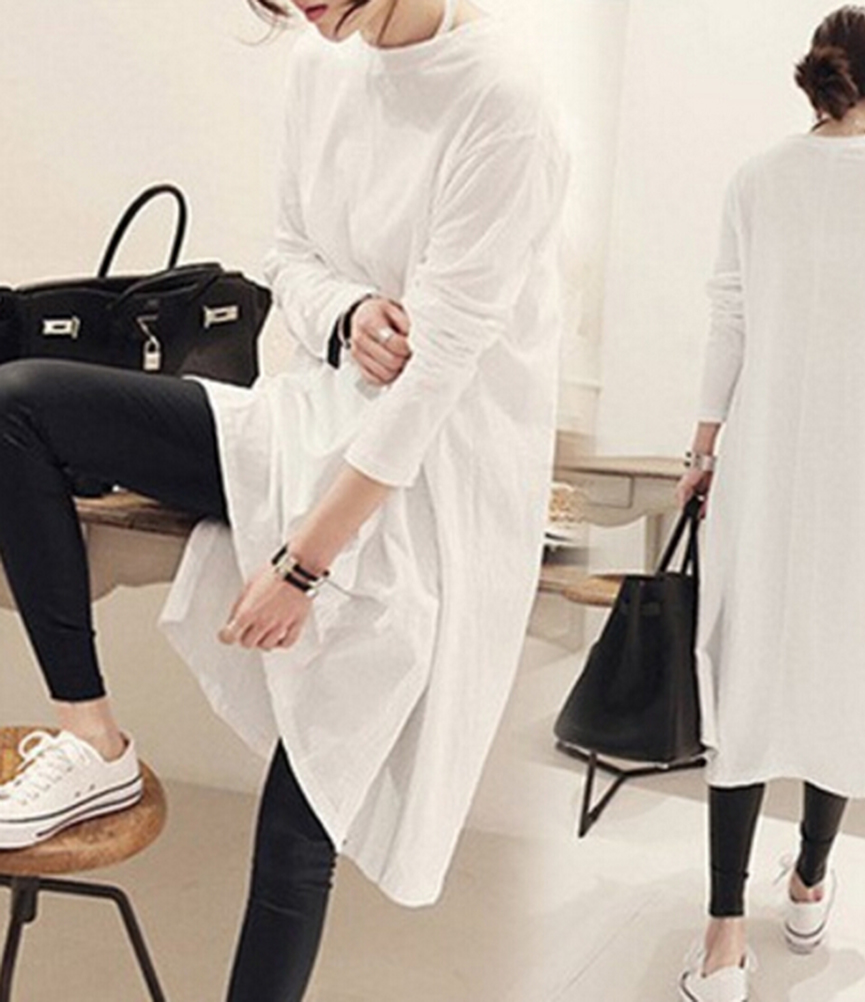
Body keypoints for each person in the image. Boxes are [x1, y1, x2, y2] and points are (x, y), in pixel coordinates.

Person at [0, 0, 569, 998]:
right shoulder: (323, 63)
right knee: (19, 405)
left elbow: (440, 377)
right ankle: (93, 738)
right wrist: (348, 314)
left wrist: (303, 564)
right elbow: (288, 255)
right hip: (307, 417)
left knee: (307, 799)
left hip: (433, 476)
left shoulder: (504, 100)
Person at [674, 7, 865, 1000]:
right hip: (864, 470)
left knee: (748, 674)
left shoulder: (757, 180)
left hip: (763, 464)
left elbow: (730, 319)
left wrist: (705, 445)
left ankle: (723, 939)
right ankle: (808, 883)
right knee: (844, 670)